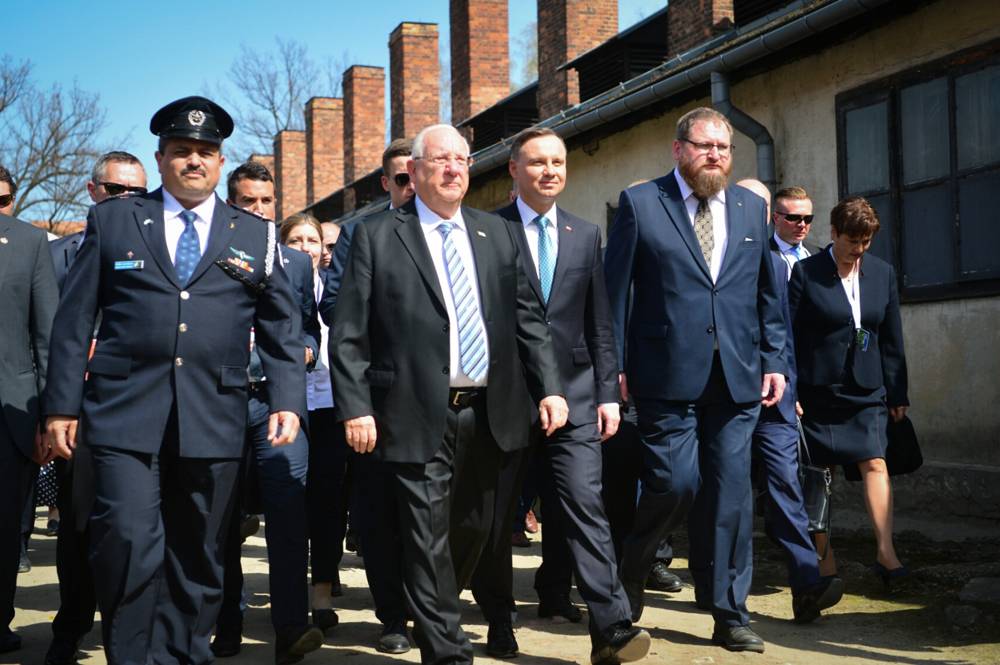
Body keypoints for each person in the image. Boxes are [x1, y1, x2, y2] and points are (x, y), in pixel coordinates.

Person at [43, 96, 305, 665]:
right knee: (128, 544)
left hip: (213, 416)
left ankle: (183, 655)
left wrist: (288, 399)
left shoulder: (254, 234)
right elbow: (74, 319)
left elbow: (283, 324)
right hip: (122, 415)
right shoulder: (115, 220)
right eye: (181, 151)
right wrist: (61, 406)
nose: (194, 161)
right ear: (160, 159)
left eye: (205, 152)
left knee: (200, 553)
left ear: (219, 161)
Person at [330, 123, 568, 665]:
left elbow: (530, 321)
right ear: (413, 172)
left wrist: (550, 388)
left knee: (476, 528)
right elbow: (349, 333)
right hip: (412, 411)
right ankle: (447, 649)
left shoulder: (498, 234)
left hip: (489, 411)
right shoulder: (377, 236)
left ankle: (434, 608)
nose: (453, 168)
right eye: (440, 160)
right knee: (424, 531)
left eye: (461, 159)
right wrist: (356, 407)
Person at [604, 107, 787, 653]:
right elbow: (614, 295)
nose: (715, 155)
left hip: (737, 377)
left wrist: (774, 359)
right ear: (678, 149)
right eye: (705, 145)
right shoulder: (641, 203)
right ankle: (630, 573)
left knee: (732, 495)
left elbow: (767, 295)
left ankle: (730, 612)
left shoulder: (753, 209)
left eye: (724, 148)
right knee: (676, 483)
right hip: (663, 375)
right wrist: (611, 367)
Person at [472, 127, 650, 665]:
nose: (550, 171)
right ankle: (500, 617)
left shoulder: (583, 233)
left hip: (573, 397)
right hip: (506, 396)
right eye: (538, 162)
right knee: (499, 516)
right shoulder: (487, 231)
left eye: (558, 162)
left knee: (584, 506)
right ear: (513, 170)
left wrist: (606, 392)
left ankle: (611, 627)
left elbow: (599, 323)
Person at [211, 162, 325, 664]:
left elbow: (310, 328)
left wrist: (306, 349)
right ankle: (227, 621)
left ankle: (291, 629)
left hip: (278, 407)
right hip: (220, 402)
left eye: (265, 202)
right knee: (223, 519)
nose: (257, 210)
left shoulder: (295, 263)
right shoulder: (212, 256)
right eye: (247, 201)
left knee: (288, 511)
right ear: (230, 203)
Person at [44, 151, 149, 665]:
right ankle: (70, 628)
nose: (127, 202)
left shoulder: (160, 249)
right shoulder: (57, 256)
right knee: (80, 528)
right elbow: (48, 338)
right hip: (79, 414)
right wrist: (54, 411)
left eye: (137, 193)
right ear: (93, 192)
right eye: (116, 192)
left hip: (141, 412)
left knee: (137, 533)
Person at [318, 138, 415, 655]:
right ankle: (393, 615)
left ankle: (430, 604)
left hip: (438, 396)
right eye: (401, 178)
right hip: (381, 395)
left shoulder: (456, 233)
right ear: (386, 183)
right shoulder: (360, 235)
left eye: (417, 175)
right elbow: (337, 308)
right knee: (380, 515)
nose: (411, 185)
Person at [788, 196, 910, 589]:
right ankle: (825, 562)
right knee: (820, 474)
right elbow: (787, 337)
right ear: (834, 233)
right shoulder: (806, 274)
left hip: (866, 387)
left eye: (865, 242)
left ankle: (886, 552)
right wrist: (790, 389)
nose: (858, 250)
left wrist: (898, 392)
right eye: (851, 241)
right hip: (818, 389)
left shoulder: (881, 272)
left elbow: (891, 337)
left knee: (875, 462)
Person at [738, 180, 845, 622]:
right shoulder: (734, 256)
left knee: (786, 487)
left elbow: (785, 332)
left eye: (807, 218)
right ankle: (720, 591)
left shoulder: (800, 265)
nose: (800, 224)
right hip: (724, 398)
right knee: (727, 497)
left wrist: (792, 388)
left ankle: (806, 585)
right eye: (790, 216)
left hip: (778, 400)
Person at [278, 211, 349, 644]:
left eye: (313, 240)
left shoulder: (336, 289)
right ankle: (287, 597)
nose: (306, 247)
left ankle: (322, 595)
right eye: (297, 239)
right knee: (290, 503)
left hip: (331, 407)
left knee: (329, 504)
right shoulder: (274, 287)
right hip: (289, 407)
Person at [0, 192, 59, 655]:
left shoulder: (28, 242)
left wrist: (48, 415)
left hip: (11, 408)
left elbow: (47, 335)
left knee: (4, 523)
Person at [50, 152, 148, 290]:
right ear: (92, 190)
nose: (126, 196)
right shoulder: (51, 254)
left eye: (136, 191)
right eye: (115, 189)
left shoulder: (161, 253)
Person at [769, 186, 821, 279]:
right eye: (794, 218)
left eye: (808, 218)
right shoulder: (762, 256)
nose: (802, 224)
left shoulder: (819, 254)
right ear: (776, 218)